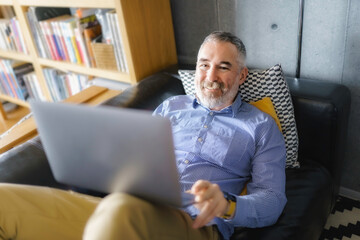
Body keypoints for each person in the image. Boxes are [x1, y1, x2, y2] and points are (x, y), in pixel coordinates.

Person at [0, 31, 286, 240]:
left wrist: (226, 204)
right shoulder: (172, 106)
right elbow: (135, 159)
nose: (211, 75)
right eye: (204, 64)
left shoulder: (261, 126)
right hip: (119, 206)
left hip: (191, 223)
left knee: (122, 209)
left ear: (242, 76)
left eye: (224, 67)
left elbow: (272, 200)